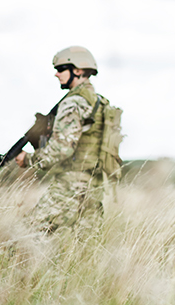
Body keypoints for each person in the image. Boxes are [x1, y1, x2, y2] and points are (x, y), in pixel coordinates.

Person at [15, 46, 108, 238]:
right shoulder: (98, 101)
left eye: (61, 69)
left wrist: (28, 159)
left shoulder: (72, 103)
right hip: (93, 185)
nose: (56, 74)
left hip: (69, 186)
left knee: (24, 240)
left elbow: (61, 149)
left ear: (78, 70)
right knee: (87, 249)